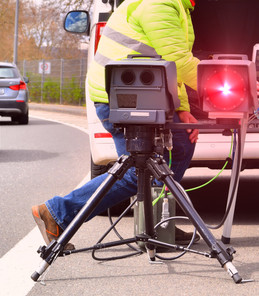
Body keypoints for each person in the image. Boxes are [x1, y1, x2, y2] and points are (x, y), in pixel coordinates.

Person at [32, 0, 203, 249]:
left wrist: (182, 109)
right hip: (122, 98)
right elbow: (179, 61)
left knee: (181, 144)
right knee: (138, 171)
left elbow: (170, 68)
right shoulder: (160, 4)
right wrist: (237, 85)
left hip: (140, 94)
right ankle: (57, 212)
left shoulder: (179, 7)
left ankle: (159, 223)